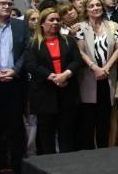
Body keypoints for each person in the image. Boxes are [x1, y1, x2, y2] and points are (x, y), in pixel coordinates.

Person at [24, 8, 82, 154]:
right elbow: (31, 65)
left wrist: (65, 74)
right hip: (44, 93)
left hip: (67, 91)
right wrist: (52, 76)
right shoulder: (33, 43)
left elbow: (77, 60)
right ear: (42, 24)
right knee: (46, 134)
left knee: (67, 132)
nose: (55, 22)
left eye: (57, 20)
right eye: (51, 20)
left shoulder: (68, 40)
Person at [74, 0, 118, 149]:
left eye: (98, 5)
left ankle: (103, 152)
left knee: (104, 119)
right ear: (86, 10)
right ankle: (88, 152)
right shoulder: (80, 27)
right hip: (88, 78)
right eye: (91, 6)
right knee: (88, 120)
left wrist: (105, 68)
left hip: (107, 77)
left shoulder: (113, 26)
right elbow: (80, 51)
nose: (95, 8)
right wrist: (95, 68)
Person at [0, 0, 30, 173]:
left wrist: (15, 70)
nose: (7, 7)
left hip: (15, 82)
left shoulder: (20, 26)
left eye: (9, 4)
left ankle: (18, 165)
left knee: (16, 124)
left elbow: (27, 50)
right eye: (2, 3)